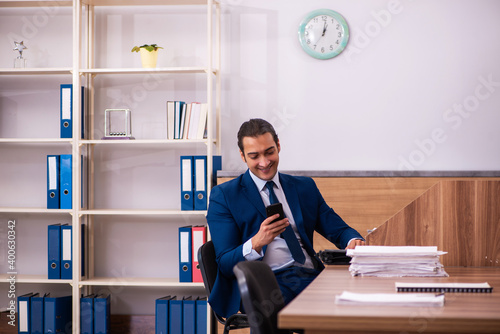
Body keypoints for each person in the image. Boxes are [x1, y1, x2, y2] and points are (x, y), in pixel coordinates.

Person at [206, 118, 365, 318]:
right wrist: (256, 243)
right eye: (254, 156)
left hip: (309, 275)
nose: (264, 163)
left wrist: (353, 240)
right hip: (263, 282)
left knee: (356, 303)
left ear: (278, 146)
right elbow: (226, 263)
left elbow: (339, 229)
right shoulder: (225, 196)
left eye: (269, 152)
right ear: (242, 156)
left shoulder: (304, 187)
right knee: (297, 309)